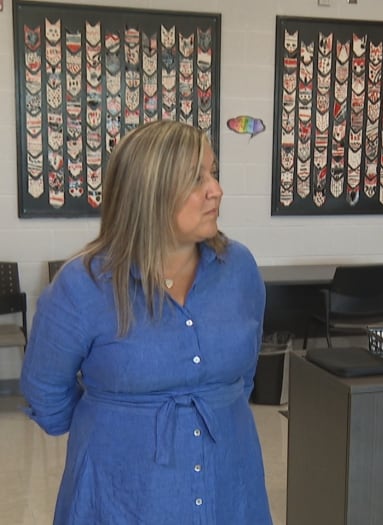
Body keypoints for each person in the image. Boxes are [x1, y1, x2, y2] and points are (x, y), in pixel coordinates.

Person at [21, 120, 273, 524]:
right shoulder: (83, 286)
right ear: (149, 193)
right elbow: (46, 396)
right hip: (121, 494)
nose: (216, 189)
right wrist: (118, 422)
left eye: (214, 172)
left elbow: (243, 374)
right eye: (197, 178)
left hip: (230, 479)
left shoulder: (238, 268)